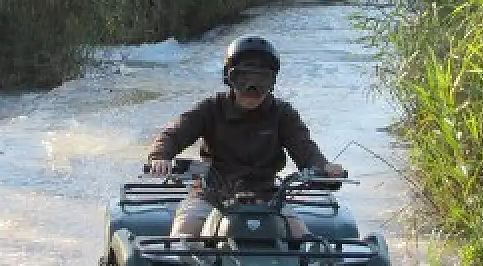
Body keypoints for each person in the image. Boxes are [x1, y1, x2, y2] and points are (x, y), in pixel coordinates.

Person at [145, 35, 346, 240]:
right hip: (211, 195)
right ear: (229, 78)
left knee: (305, 241)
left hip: (268, 198)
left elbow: (305, 149)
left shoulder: (283, 114)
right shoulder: (211, 108)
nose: (252, 90)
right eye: (243, 79)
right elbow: (174, 133)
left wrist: (324, 169)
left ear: (272, 82)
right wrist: (160, 156)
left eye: (261, 81)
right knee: (181, 238)